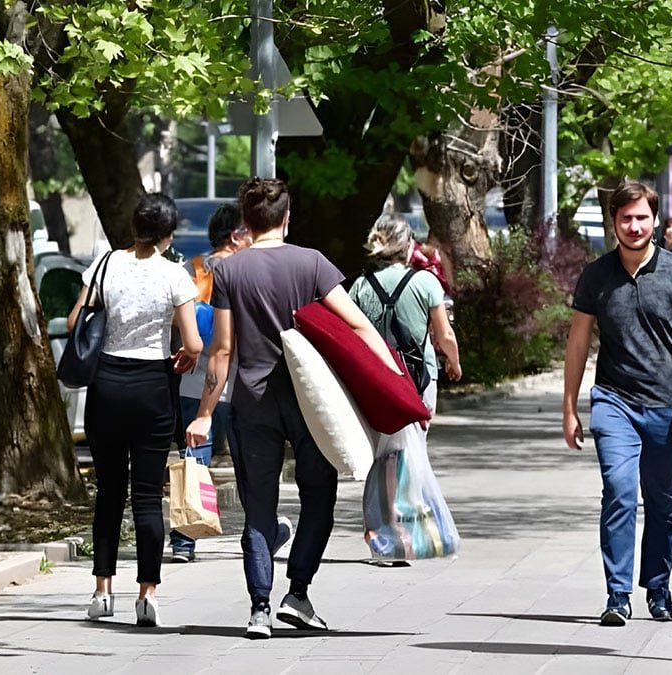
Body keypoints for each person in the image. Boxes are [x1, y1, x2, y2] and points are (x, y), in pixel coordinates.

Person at [185, 178, 398, 640]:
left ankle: (258, 608)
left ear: (246, 222)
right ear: (286, 218)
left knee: (258, 508)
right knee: (317, 497)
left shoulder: (229, 272)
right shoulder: (312, 264)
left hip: (252, 402)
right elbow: (359, 327)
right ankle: (297, 593)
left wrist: (204, 413)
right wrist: (396, 383)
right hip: (310, 404)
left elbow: (221, 351)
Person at [563, 180, 672, 626]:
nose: (633, 225)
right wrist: (570, 407)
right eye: (625, 218)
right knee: (621, 491)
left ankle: (659, 589)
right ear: (614, 223)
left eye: (641, 217)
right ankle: (617, 594)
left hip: (667, 404)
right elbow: (577, 344)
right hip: (613, 401)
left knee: (661, 500)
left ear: (656, 221)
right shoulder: (596, 276)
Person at [69, 193, 204, 627]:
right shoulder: (174, 275)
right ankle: (147, 594)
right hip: (151, 389)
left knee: (109, 493)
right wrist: (184, 356)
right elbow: (193, 341)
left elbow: (75, 322)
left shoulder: (105, 265)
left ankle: (102, 589)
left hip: (106, 385)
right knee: (147, 496)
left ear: (134, 226)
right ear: (168, 233)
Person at [170, 203, 249, 563]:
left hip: (193, 379)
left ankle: (184, 540)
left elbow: (177, 319)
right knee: (250, 458)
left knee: (193, 457)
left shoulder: (193, 268)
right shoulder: (245, 270)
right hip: (238, 381)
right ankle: (257, 532)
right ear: (235, 236)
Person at [350, 214, 462, 416]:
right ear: (408, 245)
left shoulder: (361, 285)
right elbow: (445, 335)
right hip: (419, 376)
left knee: (380, 442)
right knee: (415, 441)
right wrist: (454, 363)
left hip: (375, 375)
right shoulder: (426, 282)